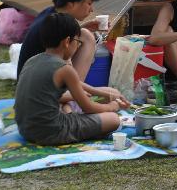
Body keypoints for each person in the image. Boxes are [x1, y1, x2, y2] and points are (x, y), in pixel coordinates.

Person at [17, 0, 128, 106]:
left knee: (85, 33)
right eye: (88, 3)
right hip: (39, 91)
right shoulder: (53, 27)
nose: (91, 9)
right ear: (72, 4)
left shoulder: (52, 15)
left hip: (35, 85)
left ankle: (73, 91)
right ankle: (73, 92)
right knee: (86, 36)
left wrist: (83, 27)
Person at [15, 13, 124, 145]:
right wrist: (112, 106)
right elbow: (88, 108)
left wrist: (100, 92)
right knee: (113, 119)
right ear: (67, 42)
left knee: (66, 105)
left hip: (26, 130)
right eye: (77, 42)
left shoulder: (33, 60)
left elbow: (77, 84)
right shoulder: (64, 69)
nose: (77, 46)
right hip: (51, 132)